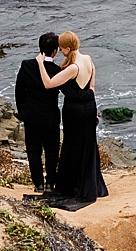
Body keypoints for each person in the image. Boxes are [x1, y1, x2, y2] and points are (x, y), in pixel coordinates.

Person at [43, 30, 108, 208]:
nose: (60, 51)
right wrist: (86, 97)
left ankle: (72, 185)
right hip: (89, 107)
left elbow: (48, 84)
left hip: (75, 111)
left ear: (67, 47)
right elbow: (92, 87)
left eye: (61, 48)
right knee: (87, 144)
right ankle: (89, 183)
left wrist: (41, 63)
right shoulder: (87, 59)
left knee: (72, 145)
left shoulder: (73, 68)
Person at [13, 31, 64, 194]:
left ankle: (38, 184)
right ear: (55, 51)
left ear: (39, 47)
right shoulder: (57, 70)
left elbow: (19, 91)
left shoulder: (26, 65)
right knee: (52, 151)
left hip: (31, 116)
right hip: (50, 116)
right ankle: (50, 183)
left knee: (33, 150)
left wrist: (23, 111)